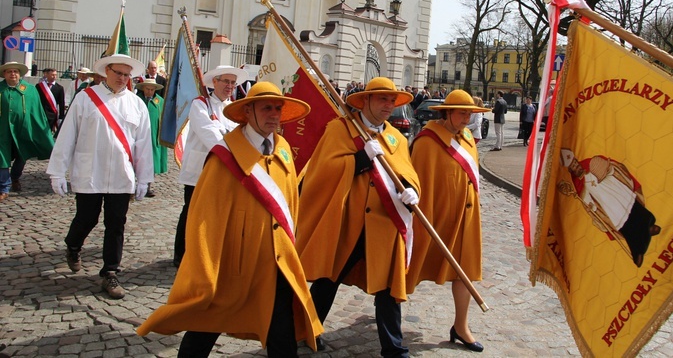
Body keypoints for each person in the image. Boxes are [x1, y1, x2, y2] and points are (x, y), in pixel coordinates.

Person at [138, 81, 323, 357]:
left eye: (277, 108)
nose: (274, 114)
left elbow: (289, 203)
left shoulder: (282, 148)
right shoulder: (225, 155)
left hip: (276, 264)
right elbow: (203, 218)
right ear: (248, 111)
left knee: (281, 332)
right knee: (206, 323)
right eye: (266, 108)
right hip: (233, 263)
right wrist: (205, 269)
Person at [296, 77, 420, 357]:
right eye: (382, 99)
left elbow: (407, 172)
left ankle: (394, 348)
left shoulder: (396, 138)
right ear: (365, 101)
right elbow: (321, 173)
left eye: (392, 100)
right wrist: (361, 159)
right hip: (348, 219)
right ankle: (307, 330)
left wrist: (412, 190)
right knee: (330, 278)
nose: (388, 105)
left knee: (389, 286)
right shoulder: (340, 129)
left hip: (385, 222)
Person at [47, 54, 154, 299]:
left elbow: (143, 144)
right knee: (86, 218)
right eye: (118, 73)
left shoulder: (136, 104)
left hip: (121, 174)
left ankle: (110, 272)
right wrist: (57, 172)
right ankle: (73, 246)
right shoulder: (85, 98)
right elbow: (67, 135)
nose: (122, 79)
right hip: (89, 171)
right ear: (107, 71)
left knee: (116, 224)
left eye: (127, 75)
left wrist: (144, 178)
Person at [407, 89, 489, 353]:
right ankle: (387, 316)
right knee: (409, 267)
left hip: (465, 218)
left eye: (470, 113)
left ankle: (461, 326)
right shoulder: (427, 141)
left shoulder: (466, 139)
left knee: (465, 272)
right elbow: (419, 183)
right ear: (447, 112)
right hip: (434, 218)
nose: (467, 119)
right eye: (462, 113)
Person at [173, 65, 250, 267]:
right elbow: (209, 133)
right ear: (214, 82)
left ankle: (205, 251)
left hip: (223, 170)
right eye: (226, 81)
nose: (229, 86)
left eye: (233, 83)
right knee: (191, 210)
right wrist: (232, 148)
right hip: (199, 169)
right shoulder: (200, 104)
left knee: (214, 212)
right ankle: (181, 254)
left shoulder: (234, 109)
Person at [559, 149, 661, 267]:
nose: (577, 167)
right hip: (608, 205)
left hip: (617, 192)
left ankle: (649, 226)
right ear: (571, 170)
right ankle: (638, 250)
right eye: (574, 167)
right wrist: (589, 205)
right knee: (625, 226)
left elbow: (607, 168)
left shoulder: (590, 164)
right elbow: (587, 200)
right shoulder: (579, 185)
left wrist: (609, 170)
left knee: (635, 210)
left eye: (576, 164)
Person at [0, 62, 54, 200]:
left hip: (23, 129)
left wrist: (41, 129)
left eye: (15, 71)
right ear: (4, 74)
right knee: (2, 156)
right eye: (9, 71)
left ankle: (15, 177)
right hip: (2, 129)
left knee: (22, 154)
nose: (13, 74)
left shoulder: (29, 90)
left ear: (19, 74)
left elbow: (37, 111)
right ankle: (4, 187)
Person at [135, 78, 167, 197]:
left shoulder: (159, 101)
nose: (150, 92)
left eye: (152, 89)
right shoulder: (137, 100)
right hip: (139, 135)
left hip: (153, 136)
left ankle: (147, 186)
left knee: (151, 160)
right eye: (148, 89)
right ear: (143, 88)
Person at [36, 67, 66, 132]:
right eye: (52, 75)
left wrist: (61, 117)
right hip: (41, 113)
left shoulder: (59, 88)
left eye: (55, 75)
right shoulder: (39, 86)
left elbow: (61, 103)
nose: (54, 77)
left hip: (52, 115)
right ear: (46, 75)